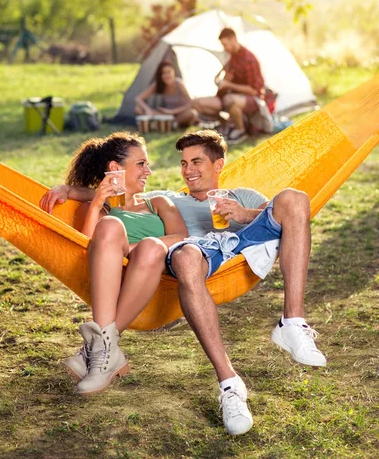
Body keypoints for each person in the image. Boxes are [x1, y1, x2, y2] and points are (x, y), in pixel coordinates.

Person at [41, 130, 326, 436]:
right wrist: (69, 189)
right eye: (183, 163)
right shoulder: (169, 199)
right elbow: (122, 195)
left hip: (241, 241)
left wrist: (243, 214)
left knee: (295, 198)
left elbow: (290, 220)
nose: (188, 169)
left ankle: (292, 322)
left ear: (218, 165)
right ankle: (229, 385)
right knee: (185, 255)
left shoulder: (243, 195)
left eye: (197, 161)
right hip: (198, 254)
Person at [43, 132, 188, 396]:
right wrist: (97, 202)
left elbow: (181, 236)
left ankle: (96, 348)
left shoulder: (158, 203)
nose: (149, 171)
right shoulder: (106, 209)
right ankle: (107, 351)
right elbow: (87, 248)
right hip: (113, 274)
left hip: (154, 269)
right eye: (141, 164)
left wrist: (132, 248)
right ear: (115, 169)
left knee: (151, 246)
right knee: (109, 226)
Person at [192, 28, 265, 144]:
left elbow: (253, 91)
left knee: (230, 100)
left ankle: (240, 131)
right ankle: (225, 124)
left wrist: (229, 84)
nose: (224, 48)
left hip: (251, 99)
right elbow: (227, 80)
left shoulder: (248, 59)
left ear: (233, 39)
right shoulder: (232, 57)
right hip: (229, 96)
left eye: (225, 44)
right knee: (196, 103)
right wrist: (221, 81)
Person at [135, 60, 198, 127]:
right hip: (167, 115)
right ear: (160, 75)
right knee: (138, 109)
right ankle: (168, 123)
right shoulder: (159, 84)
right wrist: (148, 110)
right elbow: (138, 98)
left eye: (169, 72)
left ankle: (169, 124)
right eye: (164, 73)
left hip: (181, 114)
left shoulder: (179, 83)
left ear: (173, 72)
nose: (167, 75)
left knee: (192, 113)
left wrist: (173, 111)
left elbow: (190, 103)